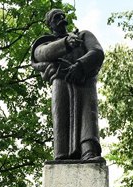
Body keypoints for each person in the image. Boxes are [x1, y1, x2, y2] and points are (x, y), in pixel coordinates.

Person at [31, 8, 104, 161]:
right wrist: (65, 43)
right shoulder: (47, 43)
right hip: (61, 81)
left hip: (84, 80)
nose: (61, 19)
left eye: (62, 16)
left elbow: (97, 52)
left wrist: (80, 65)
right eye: (56, 17)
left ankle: (88, 152)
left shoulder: (83, 35)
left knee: (88, 115)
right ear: (50, 24)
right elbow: (41, 53)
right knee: (61, 117)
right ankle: (62, 155)